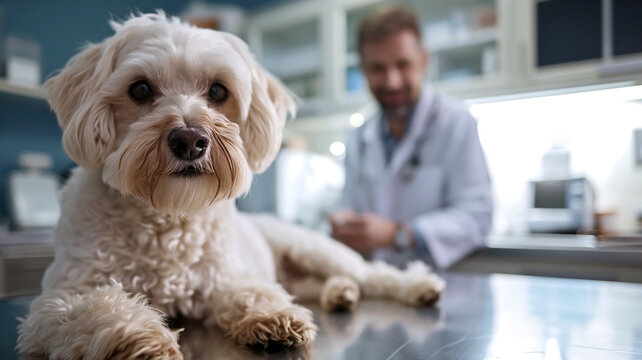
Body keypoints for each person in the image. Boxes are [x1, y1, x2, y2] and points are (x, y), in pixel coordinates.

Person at [330, 6, 493, 270]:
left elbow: (477, 217)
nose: (391, 81)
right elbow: (348, 202)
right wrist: (343, 221)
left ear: (424, 60)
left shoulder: (457, 123)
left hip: (443, 289)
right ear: (363, 70)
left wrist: (399, 234)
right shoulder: (359, 136)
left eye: (402, 64)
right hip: (377, 287)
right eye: (377, 69)